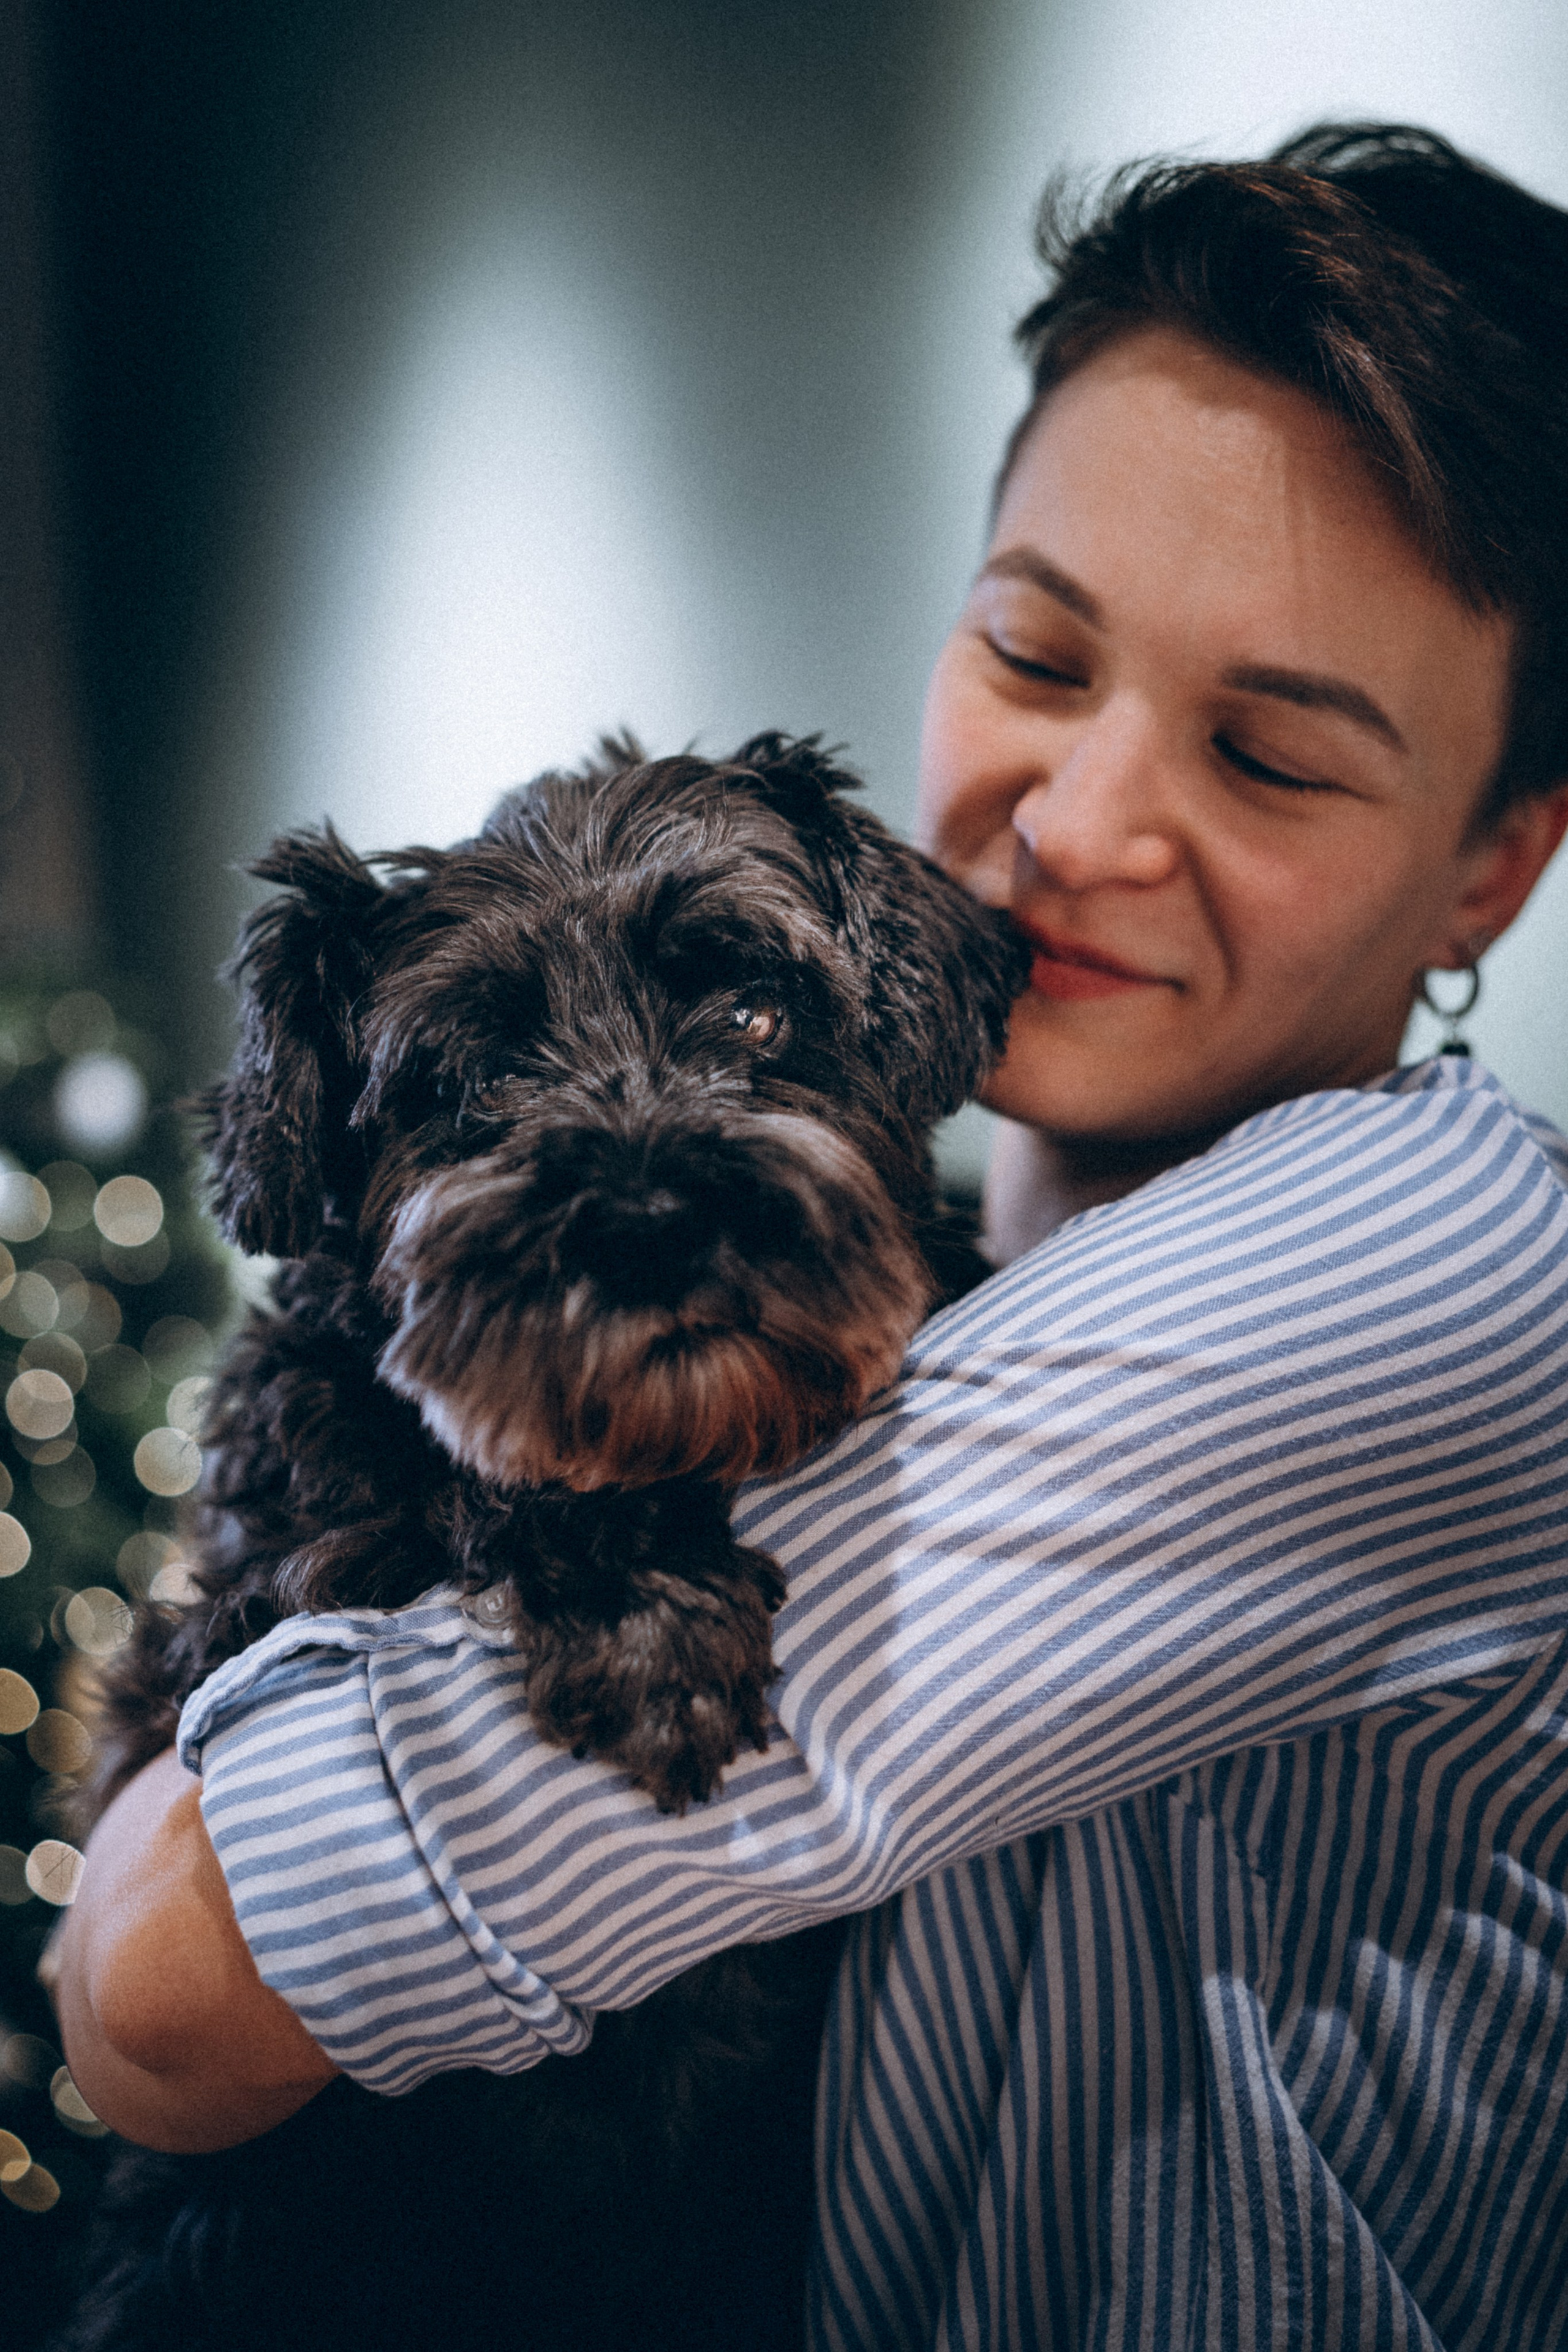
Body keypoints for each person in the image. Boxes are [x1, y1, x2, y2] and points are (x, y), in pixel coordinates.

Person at [56, 123, 1568, 2348]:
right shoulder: (942, 1283)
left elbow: (174, 1988)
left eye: (1267, 756)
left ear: (1492, 870)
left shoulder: (1436, 1269)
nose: (1078, 821)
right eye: (1039, 657)